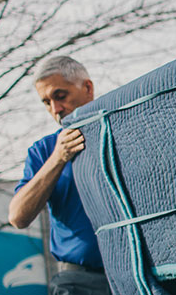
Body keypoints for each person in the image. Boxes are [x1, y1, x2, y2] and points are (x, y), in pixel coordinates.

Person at [9, 56, 110, 295]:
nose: (55, 110)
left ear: (87, 88)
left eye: (60, 96)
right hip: (78, 282)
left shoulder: (124, 132)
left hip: (138, 272)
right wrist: (58, 158)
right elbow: (17, 217)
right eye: (46, 102)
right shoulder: (43, 152)